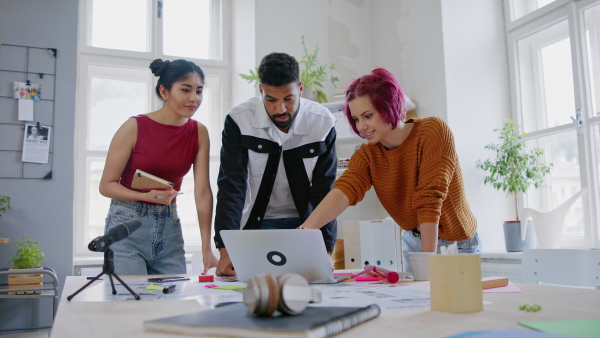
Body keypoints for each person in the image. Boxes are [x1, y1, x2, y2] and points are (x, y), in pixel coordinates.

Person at [298, 68, 481, 273]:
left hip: (457, 243)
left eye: (368, 116)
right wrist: (303, 232)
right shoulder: (368, 154)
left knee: (449, 302)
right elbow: (344, 190)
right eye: (356, 119)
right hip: (413, 241)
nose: (361, 126)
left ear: (388, 107)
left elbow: (429, 198)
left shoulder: (433, 131)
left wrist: (428, 264)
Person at [214, 52, 338, 276]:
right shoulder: (239, 120)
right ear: (261, 90)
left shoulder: (323, 122)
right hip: (256, 225)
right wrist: (225, 249)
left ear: (300, 88)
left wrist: (326, 249)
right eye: (271, 99)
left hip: (306, 226)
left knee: (311, 289)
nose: (280, 108)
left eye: (288, 99)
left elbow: (325, 190)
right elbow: (232, 186)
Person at [98, 59, 218, 275]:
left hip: (169, 227)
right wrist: (146, 196)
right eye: (185, 90)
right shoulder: (134, 127)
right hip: (126, 225)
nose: (194, 98)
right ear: (164, 91)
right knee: (130, 305)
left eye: (199, 91)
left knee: (173, 306)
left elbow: (202, 193)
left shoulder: (199, 132)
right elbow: (106, 186)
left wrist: (206, 248)